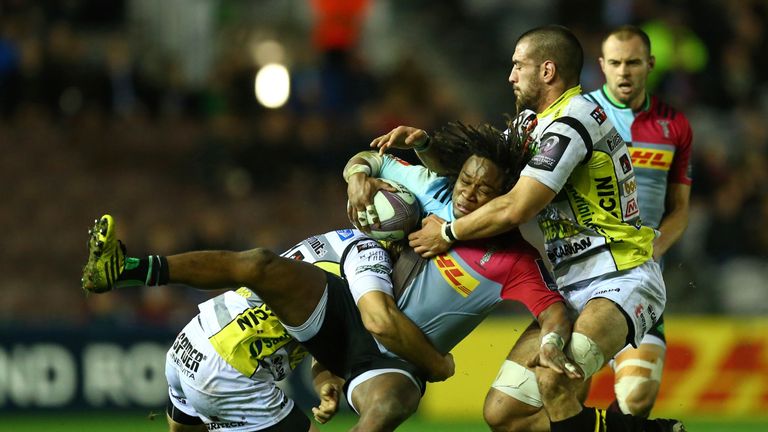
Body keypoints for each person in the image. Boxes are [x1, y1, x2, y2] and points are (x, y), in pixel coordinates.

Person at [372, 25, 685, 432]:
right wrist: (425, 146)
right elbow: (483, 173)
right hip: (569, 285)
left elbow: (518, 206)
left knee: (554, 380)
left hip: (619, 276)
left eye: (519, 66)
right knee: (504, 414)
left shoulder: (572, 122)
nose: (511, 76)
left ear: (547, 71)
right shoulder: (529, 125)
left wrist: (448, 233)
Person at [82, 217, 453, 432]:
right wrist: (436, 363)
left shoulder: (332, 244)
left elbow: (318, 335)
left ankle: (134, 269)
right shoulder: (367, 253)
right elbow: (378, 319)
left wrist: (325, 383)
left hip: (190, 343)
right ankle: (135, 270)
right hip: (230, 368)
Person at [347, 121, 582, 432]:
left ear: (505, 198)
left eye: (483, 190)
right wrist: (356, 178)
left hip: (399, 360)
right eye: (465, 181)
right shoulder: (434, 190)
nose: (467, 195)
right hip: (353, 313)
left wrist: (551, 343)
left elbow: (554, 312)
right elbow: (373, 159)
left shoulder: (514, 260)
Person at [585, 25, 693, 418]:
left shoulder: (674, 126)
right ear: (602, 65)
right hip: (581, 275)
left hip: (640, 277)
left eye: (633, 62)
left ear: (650, 64)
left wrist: (653, 249)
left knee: (637, 398)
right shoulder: (579, 117)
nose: (624, 71)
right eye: (615, 63)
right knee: (563, 394)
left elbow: (680, 209)